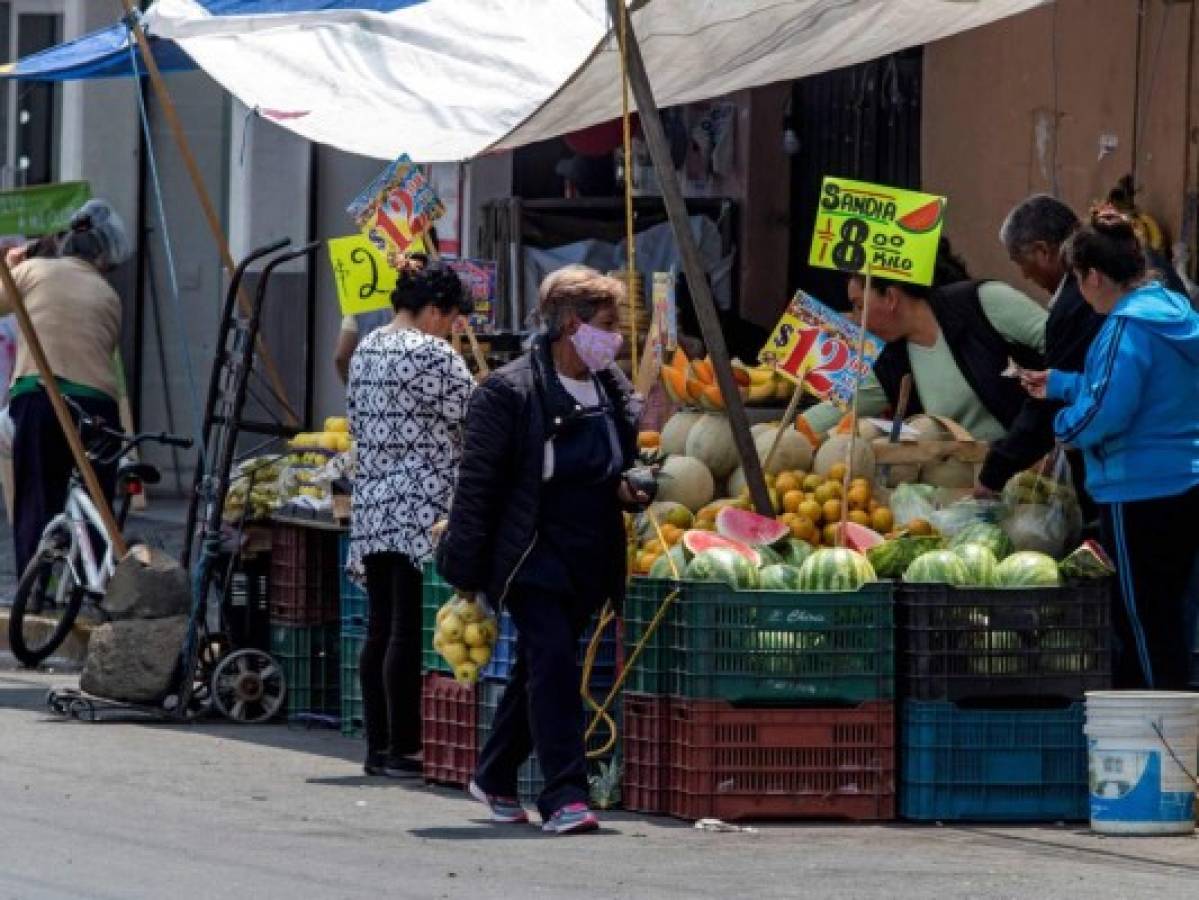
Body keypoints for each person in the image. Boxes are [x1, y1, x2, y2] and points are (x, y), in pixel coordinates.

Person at [437, 265, 647, 835]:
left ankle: (495, 772)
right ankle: (565, 795)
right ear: (572, 323)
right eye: (608, 324)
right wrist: (464, 569)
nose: (616, 336)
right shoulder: (508, 392)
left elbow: (623, 466)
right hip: (531, 551)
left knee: (540, 663)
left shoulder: (612, 386)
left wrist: (632, 489)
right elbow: (477, 486)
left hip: (591, 549)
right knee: (554, 661)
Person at [1021, 208, 1199, 690]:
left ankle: (1162, 730)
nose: (1080, 290)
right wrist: (1060, 383)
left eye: (1078, 279)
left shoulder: (1124, 326)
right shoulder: (1173, 313)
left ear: (1094, 277)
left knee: (1143, 620)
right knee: (1172, 616)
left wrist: (1064, 426)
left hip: (1136, 491)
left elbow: (1107, 411)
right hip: (1182, 481)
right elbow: (1136, 393)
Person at [346, 264, 475, 777]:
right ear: (434, 311)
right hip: (422, 503)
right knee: (405, 627)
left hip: (373, 500)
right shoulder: (432, 353)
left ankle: (379, 747)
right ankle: (405, 747)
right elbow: (478, 416)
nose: (453, 327)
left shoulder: (369, 347)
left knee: (379, 626)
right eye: (452, 317)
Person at [801, 242, 1050, 492]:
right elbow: (841, 405)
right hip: (977, 495)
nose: (855, 319)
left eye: (859, 306)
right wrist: (783, 435)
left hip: (1044, 477)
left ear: (890, 298)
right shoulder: (893, 360)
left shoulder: (982, 302)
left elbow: (1069, 346)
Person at [0, 200, 129, 575]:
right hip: (99, 405)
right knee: (98, 498)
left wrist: (10, 267)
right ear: (102, 259)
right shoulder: (109, 295)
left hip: (41, 397)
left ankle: (35, 586)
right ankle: (98, 577)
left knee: (37, 497)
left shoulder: (33, 270)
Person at [334, 253, 428, 383]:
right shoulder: (428, 300)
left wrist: (355, 390)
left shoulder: (361, 297)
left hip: (369, 392)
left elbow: (342, 356)